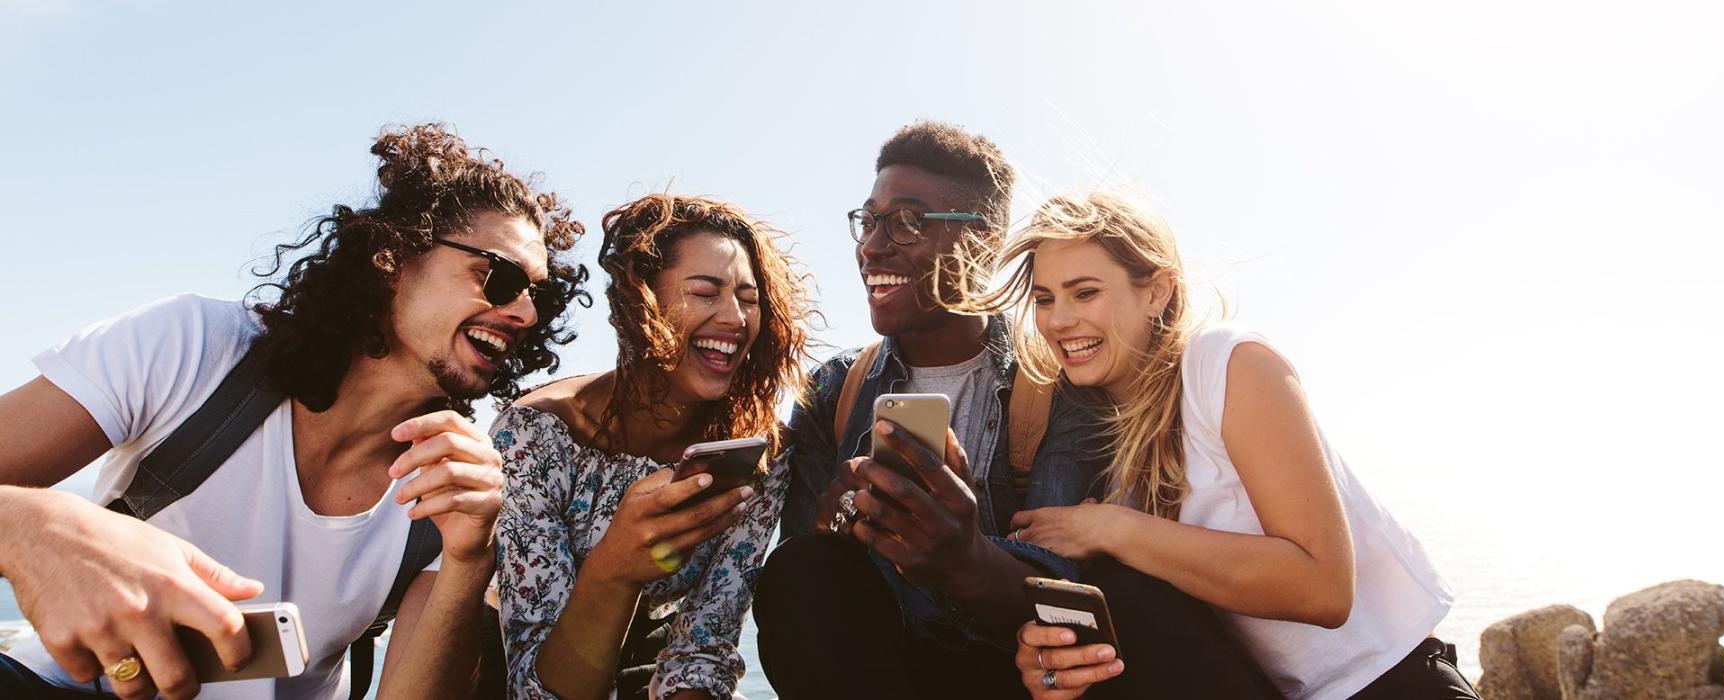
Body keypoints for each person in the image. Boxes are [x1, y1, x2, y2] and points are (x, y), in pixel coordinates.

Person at [0, 123, 587, 700]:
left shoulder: (452, 487)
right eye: (500, 277)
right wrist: (41, 525)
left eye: (543, 294)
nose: (527, 314)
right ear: (394, 257)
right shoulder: (193, 347)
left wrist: (468, 559)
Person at [753, 121, 1276, 699]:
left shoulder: (1059, 381)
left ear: (983, 239)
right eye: (870, 220)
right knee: (799, 571)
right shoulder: (834, 390)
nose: (873, 246)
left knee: (1128, 598)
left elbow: (1065, 585)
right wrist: (837, 525)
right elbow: (805, 584)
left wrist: (963, 556)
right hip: (888, 668)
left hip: (1022, 669)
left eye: (906, 221)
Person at [981, 192, 1477, 699]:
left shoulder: (1227, 363)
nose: (1059, 320)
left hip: (1391, 682)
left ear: (1157, 291)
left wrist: (1113, 527)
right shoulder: (1091, 439)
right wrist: (1057, 662)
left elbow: (1324, 589)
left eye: (1084, 293)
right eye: (1044, 300)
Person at [492, 193, 814, 700]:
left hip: (645, 658)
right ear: (640, 302)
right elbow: (535, 690)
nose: (735, 318)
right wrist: (615, 567)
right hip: (510, 663)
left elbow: (703, 646)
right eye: (706, 292)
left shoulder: (759, 452)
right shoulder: (536, 434)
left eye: (750, 299)